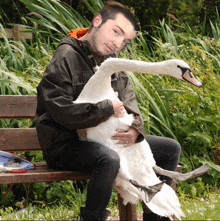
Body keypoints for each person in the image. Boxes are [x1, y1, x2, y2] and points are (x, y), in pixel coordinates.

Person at [35, 1, 181, 220]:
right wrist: (105, 108)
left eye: (125, 41)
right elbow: (60, 110)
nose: (118, 43)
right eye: (116, 32)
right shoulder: (66, 55)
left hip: (103, 141)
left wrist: (135, 130)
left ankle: (155, 218)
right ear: (97, 21)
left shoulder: (113, 62)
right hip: (66, 145)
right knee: (109, 159)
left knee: (170, 148)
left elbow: (130, 102)